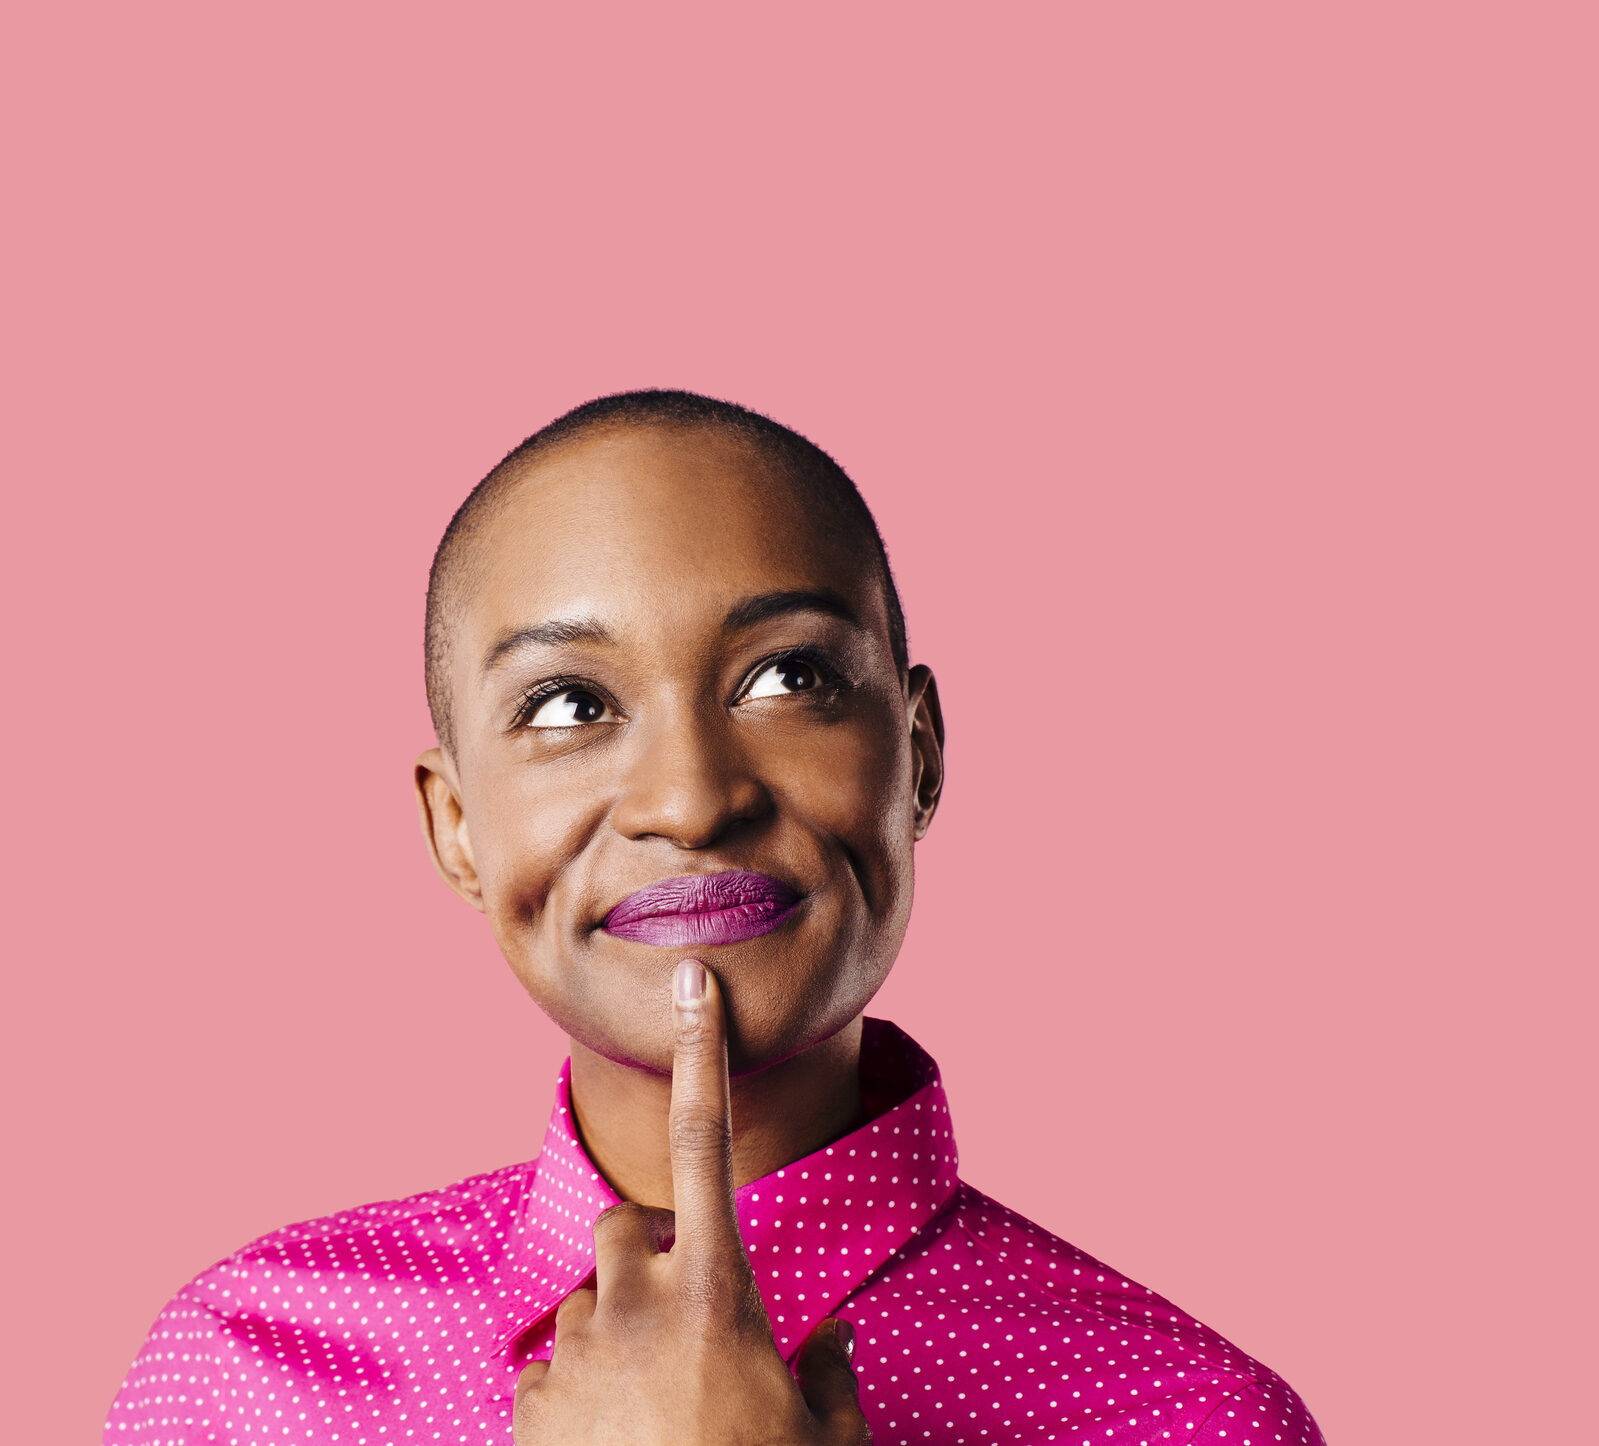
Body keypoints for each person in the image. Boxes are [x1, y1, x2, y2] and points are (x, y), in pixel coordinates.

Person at [107, 390, 1325, 1445]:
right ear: (457, 827)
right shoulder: (236, 1377)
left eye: (788, 679)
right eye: (569, 703)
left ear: (919, 755)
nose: (691, 802)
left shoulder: (1191, 1420)